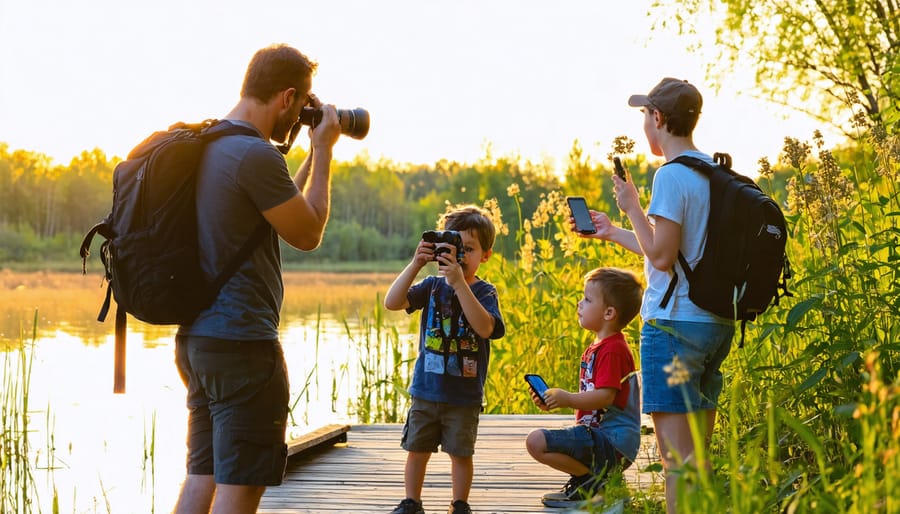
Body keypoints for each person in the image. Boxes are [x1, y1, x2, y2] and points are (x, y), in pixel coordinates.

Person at [172, 44, 341, 514]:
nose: (304, 116)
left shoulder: (209, 144)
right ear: (287, 98)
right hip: (243, 344)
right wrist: (324, 149)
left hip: (198, 342)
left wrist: (305, 155)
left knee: (200, 480)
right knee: (240, 489)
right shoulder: (254, 155)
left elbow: (280, 209)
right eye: (303, 104)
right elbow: (308, 233)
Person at [575, 78, 736, 513]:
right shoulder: (712, 171)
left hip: (673, 327)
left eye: (646, 115)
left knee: (676, 462)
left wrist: (630, 205)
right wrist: (613, 232)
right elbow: (671, 249)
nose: (645, 124)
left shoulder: (671, 175)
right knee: (697, 460)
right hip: (714, 325)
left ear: (658, 119)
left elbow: (662, 258)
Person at [384, 205, 506, 514]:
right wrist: (416, 264)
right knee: (416, 449)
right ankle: (412, 502)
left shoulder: (484, 291)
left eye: (468, 250)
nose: (461, 257)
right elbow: (392, 302)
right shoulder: (431, 286)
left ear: (485, 255)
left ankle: (459, 504)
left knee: (461, 453)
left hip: (463, 396)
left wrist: (459, 284)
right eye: (454, 249)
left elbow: (485, 327)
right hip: (426, 390)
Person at [525, 267, 643, 508]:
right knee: (538, 442)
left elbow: (605, 398)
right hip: (602, 438)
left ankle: (595, 485)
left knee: (536, 441)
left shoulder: (613, 350)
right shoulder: (599, 347)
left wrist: (567, 398)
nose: (580, 303)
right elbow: (593, 397)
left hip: (613, 441)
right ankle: (599, 484)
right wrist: (554, 401)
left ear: (609, 312)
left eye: (588, 299)